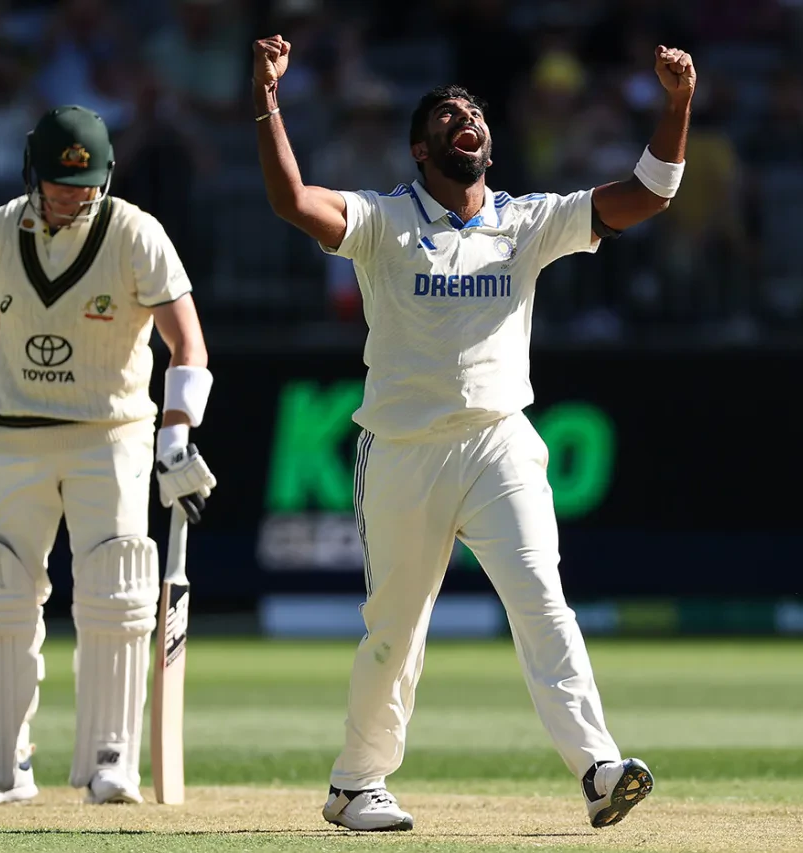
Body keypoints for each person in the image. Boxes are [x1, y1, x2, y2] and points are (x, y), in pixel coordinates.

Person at [252, 35, 694, 832]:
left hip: (500, 443)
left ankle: (599, 769)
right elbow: (290, 202)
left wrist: (677, 105)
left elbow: (650, 193)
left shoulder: (528, 221)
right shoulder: (384, 220)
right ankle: (355, 784)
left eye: (476, 113)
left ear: (487, 143)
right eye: (450, 116)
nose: (468, 120)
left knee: (544, 602)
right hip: (405, 450)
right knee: (396, 632)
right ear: (423, 150)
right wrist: (267, 101)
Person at [0, 105, 217, 806]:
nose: (71, 196)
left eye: (84, 185)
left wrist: (175, 434)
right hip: (15, 435)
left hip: (110, 433)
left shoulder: (137, 234)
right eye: (58, 184)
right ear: (33, 174)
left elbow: (188, 343)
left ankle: (111, 761)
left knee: (116, 591)